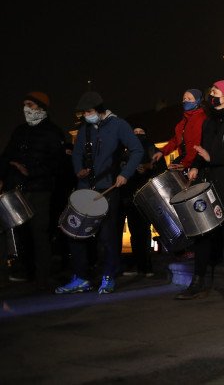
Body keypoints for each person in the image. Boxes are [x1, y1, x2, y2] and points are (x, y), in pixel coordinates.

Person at [55, 91, 144, 295]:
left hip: (108, 187)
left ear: (100, 110)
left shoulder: (119, 125)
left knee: (107, 235)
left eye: (89, 111)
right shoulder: (84, 128)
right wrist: (78, 169)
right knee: (75, 232)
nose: (86, 115)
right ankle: (80, 278)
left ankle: (108, 276)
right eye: (84, 112)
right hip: (85, 187)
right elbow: (77, 153)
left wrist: (125, 174)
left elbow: (137, 150)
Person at [175, 80, 224, 301]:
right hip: (211, 186)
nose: (212, 93)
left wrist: (212, 158)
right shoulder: (209, 122)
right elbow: (203, 150)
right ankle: (197, 281)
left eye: (216, 91)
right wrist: (196, 166)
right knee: (203, 234)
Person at [0, 92, 66, 290]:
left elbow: (57, 164)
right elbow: (7, 156)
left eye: (30, 104)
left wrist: (30, 172)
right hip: (17, 188)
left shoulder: (53, 132)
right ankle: (23, 270)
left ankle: (42, 276)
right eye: (24, 104)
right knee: (17, 233)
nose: (25, 108)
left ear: (40, 107)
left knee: (39, 232)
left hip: (39, 190)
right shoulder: (20, 131)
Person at [119, 126, 165, 277]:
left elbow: (161, 171)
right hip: (130, 197)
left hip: (146, 196)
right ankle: (138, 265)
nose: (138, 135)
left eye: (141, 132)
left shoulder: (152, 149)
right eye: (135, 133)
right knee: (134, 233)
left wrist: (148, 169)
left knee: (144, 232)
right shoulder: (126, 152)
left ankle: (147, 266)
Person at [152, 89, 207, 171]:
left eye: (189, 99)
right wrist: (162, 151)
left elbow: (196, 145)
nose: (185, 101)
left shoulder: (200, 118)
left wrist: (184, 164)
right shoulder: (184, 120)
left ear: (198, 101)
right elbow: (176, 140)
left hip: (195, 163)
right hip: (185, 159)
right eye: (184, 99)